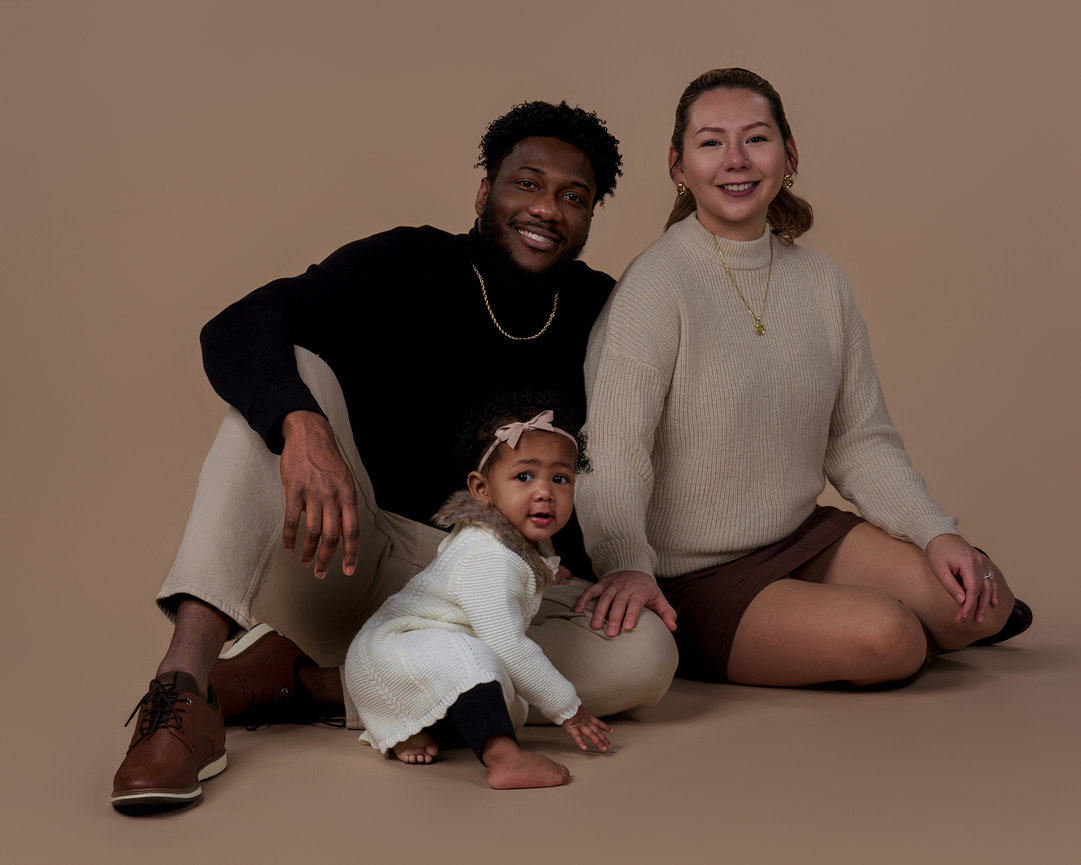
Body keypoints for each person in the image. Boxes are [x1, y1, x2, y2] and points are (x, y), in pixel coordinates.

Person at [111, 101, 678, 812]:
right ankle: (183, 688)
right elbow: (241, 322)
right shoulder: (404, 262)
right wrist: (301, 427)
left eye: (573, 196)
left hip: (495, 587)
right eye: (525, 184)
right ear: (483, 193)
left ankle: (309, 682)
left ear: (590, 217)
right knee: (289, 379)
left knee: (646, 658)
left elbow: (630, 441)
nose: (546, 209)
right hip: (349, 554)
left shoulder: (602, 309)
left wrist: (619, 560)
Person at [574, 68, 1031, 689]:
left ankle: (853, 622)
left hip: (800, 535)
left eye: (755, 139)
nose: (735, 160)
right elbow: (613, 450)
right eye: (710, 143)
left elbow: (859, 441)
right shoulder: (657, 286)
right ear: (679, 167)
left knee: (987, 599)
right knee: (888, 638)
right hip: (692, 574)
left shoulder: (821, 282)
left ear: (789, 155)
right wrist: (627, 563)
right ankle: (849, 631)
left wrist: (934, 531)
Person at [346, 398, 611, 789]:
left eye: (560, 479)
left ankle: (417, 727)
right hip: (390, 651)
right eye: (524, 477)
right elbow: (507, 641)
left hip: (421, 659)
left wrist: (544, 573)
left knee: (498, 686)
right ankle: (503, 758)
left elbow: (510, 575)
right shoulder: (487, 553)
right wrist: (567, 708)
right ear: (482, 489)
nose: (544, 493)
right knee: (480, 657)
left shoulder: (513, 547)